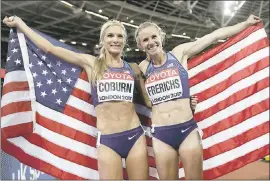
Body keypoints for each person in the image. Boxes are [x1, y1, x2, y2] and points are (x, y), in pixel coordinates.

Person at [3, 16, 150, 180]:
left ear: (124, 41)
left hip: (135, 136)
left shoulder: (134, 69)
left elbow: (149, 103)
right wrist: (20, 24)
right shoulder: (91, 63)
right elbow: (50, 48)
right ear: (103, 40)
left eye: (119, 36)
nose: (115, 40)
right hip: (108, 141)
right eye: (110, 36)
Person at [134, 14, 261, 179]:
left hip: (187, 130)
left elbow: (213, 36)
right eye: (145, 40)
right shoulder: (142, 68)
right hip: (161, 134)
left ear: (161, 37)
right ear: (140, 45)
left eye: (153, 37)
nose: (151, 42)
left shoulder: (179, 53)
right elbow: (147, 101)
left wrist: (246, 23)